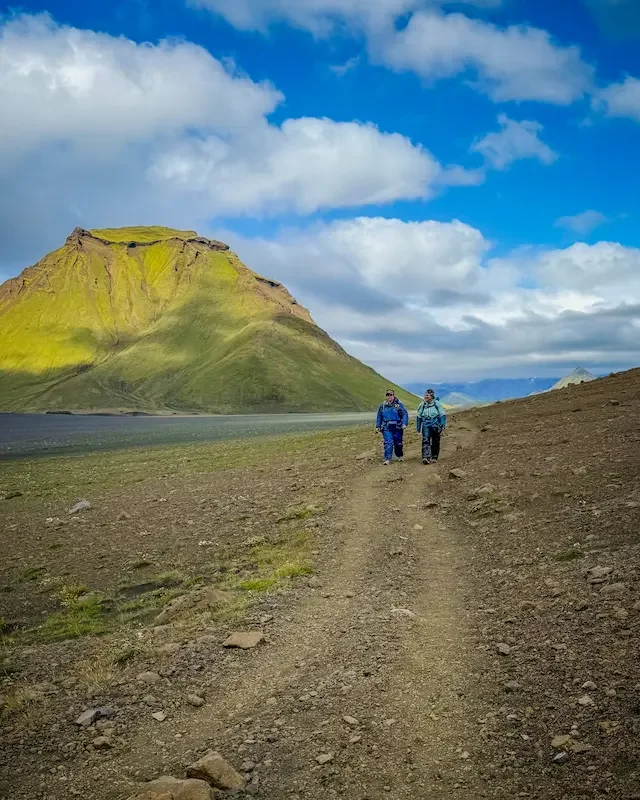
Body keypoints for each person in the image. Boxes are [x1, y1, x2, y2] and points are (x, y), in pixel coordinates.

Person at [376, 389, 409, 465]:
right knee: (388, 442)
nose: (389, 397)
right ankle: (387, 459)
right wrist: (378, 426)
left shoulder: (398, 404)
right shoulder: (383, 406)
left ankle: (399, 455)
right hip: (386, 427)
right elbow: (379, 416)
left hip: (397, 426)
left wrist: (404, 423)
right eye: (388, 395)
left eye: (391, 395)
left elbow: (404, 414)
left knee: (398, 442)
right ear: (386, 396)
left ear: (393, 396)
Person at [416, 389, 446, 464]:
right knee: (425, 440)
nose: (426, 396)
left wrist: (442, 427)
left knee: (435, 441)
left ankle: (434, 456)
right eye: (425, 395)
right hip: (426, 424)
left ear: (432, 396)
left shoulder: (437, 404)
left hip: (435, 424)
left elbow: (442, 415)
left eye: (427, 395)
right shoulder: (422, 405)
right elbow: (419, 417)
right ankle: (425, 457)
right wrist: (418, 429)